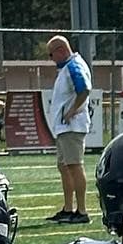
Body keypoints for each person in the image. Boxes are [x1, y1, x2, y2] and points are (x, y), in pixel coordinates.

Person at [44, 35, 92, 225]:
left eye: (51, 54)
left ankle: (81, 210)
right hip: (64, 126)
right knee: (64, 166)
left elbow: (84, 89)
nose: (51, 59)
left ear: (61, 50)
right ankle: (68, 208)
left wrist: (72, 111)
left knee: (74, 165)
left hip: (72, 125)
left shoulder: (73, 66)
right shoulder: (66, 68)